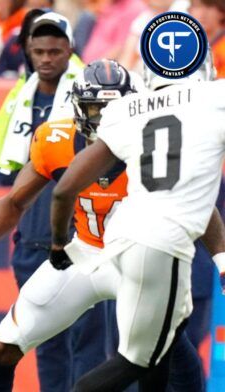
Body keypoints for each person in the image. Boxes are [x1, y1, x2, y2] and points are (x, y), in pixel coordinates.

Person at [0, 59, 206, 391]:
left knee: (170, 343)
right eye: (95, 107)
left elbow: (208, 213)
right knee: (5, 344)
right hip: (83, 254)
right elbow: (17, 200)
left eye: (112, 107)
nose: (103, 117)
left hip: (138, 258)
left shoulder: (157, 140)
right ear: (78, 107)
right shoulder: (55, 139)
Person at [48, 55, 225, 391]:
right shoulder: (211, 104)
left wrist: (58, 243)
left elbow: (62, 192)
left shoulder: (129, 113)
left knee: (163, 348)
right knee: (137, 360)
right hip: (163, 242)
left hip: (122, 239)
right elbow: (200, 198)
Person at [0, 12, 107, 392]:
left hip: (81, 239)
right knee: (42, 340)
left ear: (70, 49)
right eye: (38, 51)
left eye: (55, 51)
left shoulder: (93, 95)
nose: (46, 59)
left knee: (87, 341)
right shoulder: (18, 97)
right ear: (27, 51)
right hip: (33, 236)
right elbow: (7, 174)